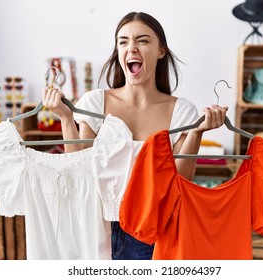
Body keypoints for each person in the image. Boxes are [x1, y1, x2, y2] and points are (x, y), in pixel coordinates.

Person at [43, 12, 228, 260]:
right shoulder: (95, 103)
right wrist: (66, 118)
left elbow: (181, 181)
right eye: (123, 42)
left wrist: (196, 133)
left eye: (142, 40)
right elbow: (79, 171)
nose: (131, 48)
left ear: (161, 50)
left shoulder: (182, 111)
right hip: (98, 227)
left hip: (155, 230)